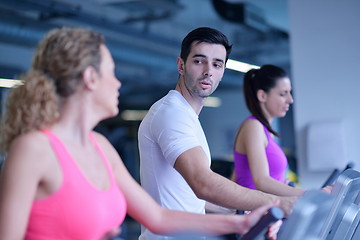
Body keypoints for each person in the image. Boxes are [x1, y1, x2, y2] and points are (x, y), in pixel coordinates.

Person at [0, 27, 280, 240]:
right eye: (112, 72)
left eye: (217, 64)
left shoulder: (99, 147)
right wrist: (279, 202)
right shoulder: (33, 150)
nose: (119, 82)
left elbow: (157, 215)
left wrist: (239, 222)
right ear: (90, 78)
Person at [138, 27, 296, 240]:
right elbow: (202, 183)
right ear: (181, 65)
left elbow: (188, 194)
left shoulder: (188, 117)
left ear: (222, 71)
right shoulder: (171, 114)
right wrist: (276, 202)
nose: (208, 71)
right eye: (199, 61)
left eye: (216, 64)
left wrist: (232, 211)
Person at [231, 65, 305, 197]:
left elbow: (237, 177)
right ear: (262, 95)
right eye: (283, 94)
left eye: (289, 93)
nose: (290, 100)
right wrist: (307, 195)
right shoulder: (253, 126)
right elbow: (262, 181)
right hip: (255, 212)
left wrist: (282, 186)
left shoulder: (264, 130)